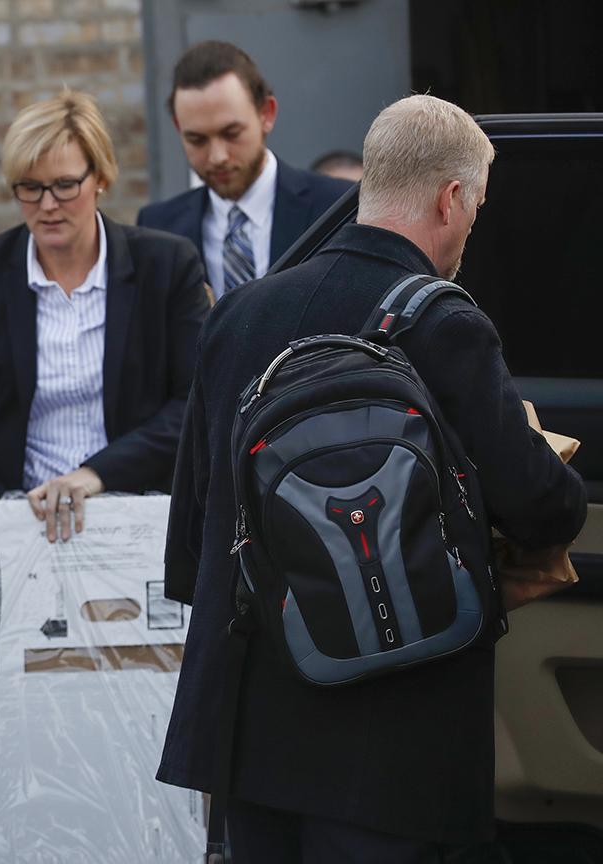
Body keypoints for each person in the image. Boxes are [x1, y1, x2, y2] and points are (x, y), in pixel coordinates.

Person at [160, 95, 587, 860]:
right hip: (387, 743)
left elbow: (196, 524)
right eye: (477, 206)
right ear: (452, 197)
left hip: (247, 730)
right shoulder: (443, 321)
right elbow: (544, 512)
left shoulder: (242, 314)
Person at [0, 88, 209, 541]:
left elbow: (195, 400)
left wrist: (95, 475)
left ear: (100, 177)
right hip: (15, 519)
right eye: (30, 189)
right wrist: (2, 505)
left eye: (64, 185)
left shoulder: (166, 265)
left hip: (138, 513)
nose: (48, 205)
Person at [139, 41, 353, 300]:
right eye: (197, 139)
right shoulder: (158, 227)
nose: (217, 157)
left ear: (267, 114)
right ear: (178, 128)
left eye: (231, 133)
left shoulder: (337, 207)